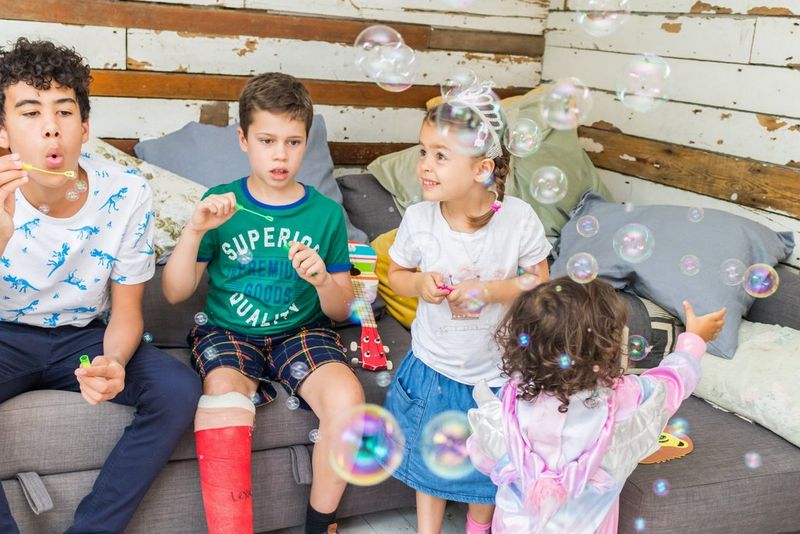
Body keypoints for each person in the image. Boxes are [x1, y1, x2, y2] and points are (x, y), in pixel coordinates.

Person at [0, 37, 201, 533]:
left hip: (82, 336)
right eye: (29, 112)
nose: (50, 126)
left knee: (178, 389)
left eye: (64, 111)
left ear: (84, 127)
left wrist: (112, 361)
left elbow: (127, 309)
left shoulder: (127, 192)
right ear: (3, 130)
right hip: (4, 333)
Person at [162, 72, 364, 534]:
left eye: (293, 142)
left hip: (303, 331)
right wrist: (194, 230)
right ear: (243, 138)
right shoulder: (220, 203)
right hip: (228, 331)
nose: (280, 154)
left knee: (348, 399)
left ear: (306, 141)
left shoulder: (326, 215)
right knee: (224, 400)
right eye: (267, 140)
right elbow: (174, 292)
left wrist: (319, 281)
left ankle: (321, 524)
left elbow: (337, 311)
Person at [384, 85, 552, 534]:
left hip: (496, 374)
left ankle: (480, 528)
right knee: (430, 461)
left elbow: (539, 279)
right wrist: (418, 282)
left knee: (486, 470)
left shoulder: (518, 219)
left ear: (482, 168)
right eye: (423, 151)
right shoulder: (419, 219)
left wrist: (492, 291)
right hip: (435, 367)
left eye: (441, 155)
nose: (424, 165)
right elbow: (396, 273)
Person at [467, 278, 727, 533]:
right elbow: (672, 382)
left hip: (513, 525)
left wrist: (527, 473)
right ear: (607, 346)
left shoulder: (512, 397)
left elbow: (485, 456)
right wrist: (692, 340)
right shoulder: (624, 396)